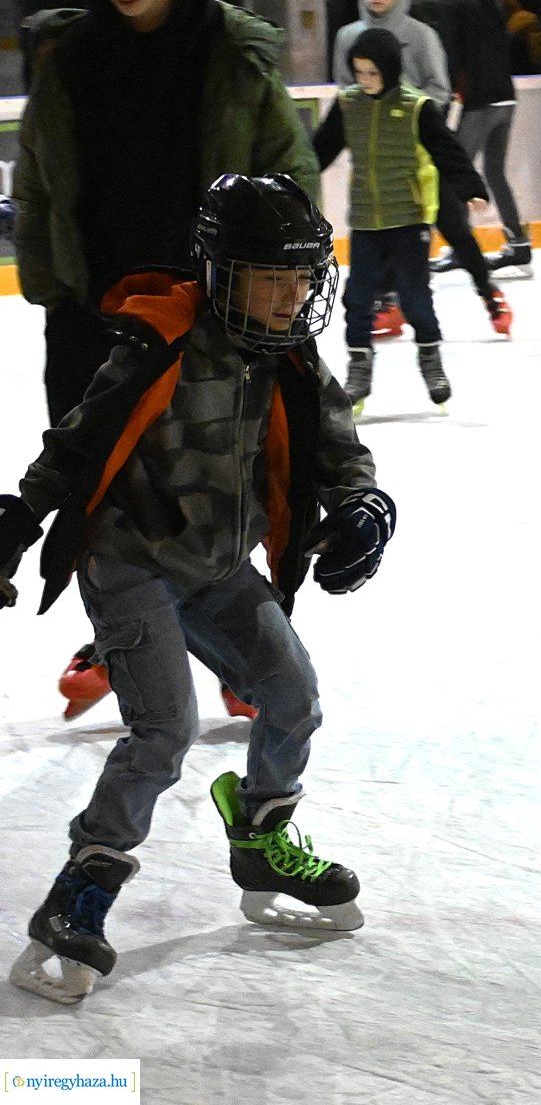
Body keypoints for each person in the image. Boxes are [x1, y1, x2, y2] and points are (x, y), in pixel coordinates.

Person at [1, 174, 393, 1005]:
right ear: (221, 272)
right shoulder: (161, 344)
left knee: (293, 696)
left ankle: (260, 837)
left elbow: (336, 446)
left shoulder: (288, 352)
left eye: (304, 277)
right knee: (164, 730)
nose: (293, 297)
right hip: (130, 559)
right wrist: (15, 520)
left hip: (218, 567)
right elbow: (77, 445)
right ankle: (81, 894)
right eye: (273, 277)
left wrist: (364, 505)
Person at [11, 0, 318, 723]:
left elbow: (289, 174)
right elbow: (37, 183)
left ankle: (228, 639)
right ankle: (123, 635)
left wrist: (271, 291)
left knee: (217, 482)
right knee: (101, 495)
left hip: (209, 313)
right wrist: (54, 291)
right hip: (97, 315)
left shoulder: (228, 53)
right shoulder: (69, 60)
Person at [313, 28, 491, 412]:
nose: (364, 81)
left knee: (415, 297)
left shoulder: (416, 107)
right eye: (358, 72)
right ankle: (359, 371)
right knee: (358, 298)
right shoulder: (349, 105)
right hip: (364, 221)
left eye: (372, 73)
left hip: (408, 221)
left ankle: (431, 362)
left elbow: (447, 150)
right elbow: (319, 151)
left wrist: (471, 188)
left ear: (390, 70)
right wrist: (292, 181)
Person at [333, 0, 509, 340]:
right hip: (378, 158)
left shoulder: (420, 34)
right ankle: (389, 304)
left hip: (422, 154)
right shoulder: (348, 36)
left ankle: (490, 294)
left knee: (453, 227)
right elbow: (345, 93)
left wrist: (406, 115)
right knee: (379, 229)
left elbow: (440, 89)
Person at [426, 0, 531, 272]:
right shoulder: (493, 0)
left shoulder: (451, 2)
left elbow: (451, 53)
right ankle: (519, 244)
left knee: (458, 175)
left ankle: (462, 248)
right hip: (505, 96)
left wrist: (444, 100)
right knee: (495, 172)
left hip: (480, 101)